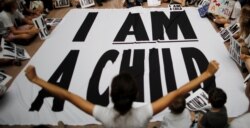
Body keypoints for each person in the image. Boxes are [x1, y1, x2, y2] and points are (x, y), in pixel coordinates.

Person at [25, 60, 219, 127]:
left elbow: (66, 95)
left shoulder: (103, 114)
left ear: (111, 95)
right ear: (136, 94)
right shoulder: (145, 113)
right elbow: (179, 91)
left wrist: (36, 80)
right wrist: (207, 73)